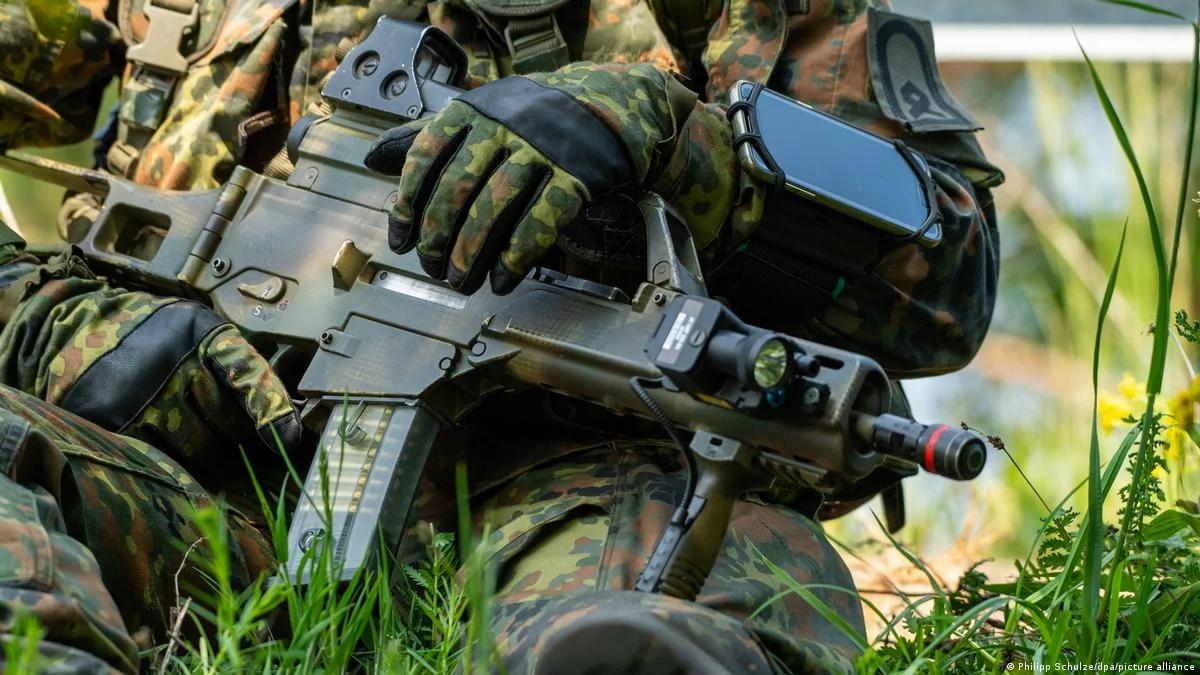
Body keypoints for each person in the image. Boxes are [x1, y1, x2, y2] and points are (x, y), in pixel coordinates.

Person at [0, 0, 1003, 672]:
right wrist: (49, 320)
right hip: (205, 498)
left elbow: (947, 286)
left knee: (670, 635)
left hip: (578, 511)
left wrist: (677, 140)